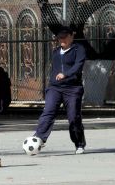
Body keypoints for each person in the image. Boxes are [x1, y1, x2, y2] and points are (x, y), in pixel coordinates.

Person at [34, 25, 87, 154]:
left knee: (74, 117)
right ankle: (39, 139)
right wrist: (52, 81)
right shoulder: (56, 51)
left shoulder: (78, 49)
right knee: (49, 111)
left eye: (64, 37)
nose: (61, 40)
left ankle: (79, 143)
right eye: (59, 38)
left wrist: (66, 74)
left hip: (73, 88)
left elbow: (78, 65)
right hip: (55, 88)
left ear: (71, 36)